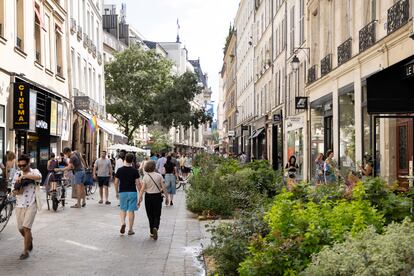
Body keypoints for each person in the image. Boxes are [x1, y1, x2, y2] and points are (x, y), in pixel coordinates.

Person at [11, 154, 42, 260]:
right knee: (21, 229)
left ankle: (26, 251)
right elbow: (14, 192)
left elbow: (39, 177)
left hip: (31, 204)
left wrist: (24, 176)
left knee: (26, 228)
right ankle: (29, 240)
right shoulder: (16, 174)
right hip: (20, 204)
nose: (21, 168)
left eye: (23, 165)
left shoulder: (35, 171)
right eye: (19, 166)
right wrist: (17, 188)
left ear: (29, 163)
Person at [138, 160, 168, 240]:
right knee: (157, 214)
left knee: (150, 214)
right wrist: (167, 198)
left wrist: (139, 198)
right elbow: (164, 187)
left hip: (148, 197)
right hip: (157, 196)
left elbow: (142, 189)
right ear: (154, 167)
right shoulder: (159, 176)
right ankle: (156, 227)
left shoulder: (146, 177)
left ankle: (151, 231)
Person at [114, 153, 140, 235]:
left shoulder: (120, 170)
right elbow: (138, 184)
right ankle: (130, 229)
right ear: (132, 160)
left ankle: (122, 223)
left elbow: (116, 182)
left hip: (123, 192)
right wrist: (141, 194)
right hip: (132, 192)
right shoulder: (135, 171)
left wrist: (116, 192)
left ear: (125, 159)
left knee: (123, 209)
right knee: (131, 211)